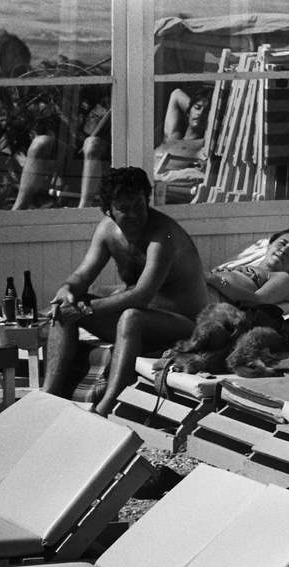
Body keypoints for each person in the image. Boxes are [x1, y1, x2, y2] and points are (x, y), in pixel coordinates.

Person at [42, 167, 209, 416]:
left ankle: (105, 407)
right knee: (63, 308)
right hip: (142, 319)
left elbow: (142, 295)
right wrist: (67, 292)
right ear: (109, 209)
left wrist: (84, 310)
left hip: (183, 325)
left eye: (138, 205)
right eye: (124, 208)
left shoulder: (163, 234)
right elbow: (82, 276)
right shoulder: (107, 230)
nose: (133, 215)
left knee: (130, 317)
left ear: (147, 200)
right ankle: (49, 396)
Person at [204, 227, 289, 306]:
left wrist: (217, 281)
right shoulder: (238, 265)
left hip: (214, 299)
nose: (284, 250)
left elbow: (258, 301)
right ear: (270, 244)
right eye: (282, 243)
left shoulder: (281, 277)